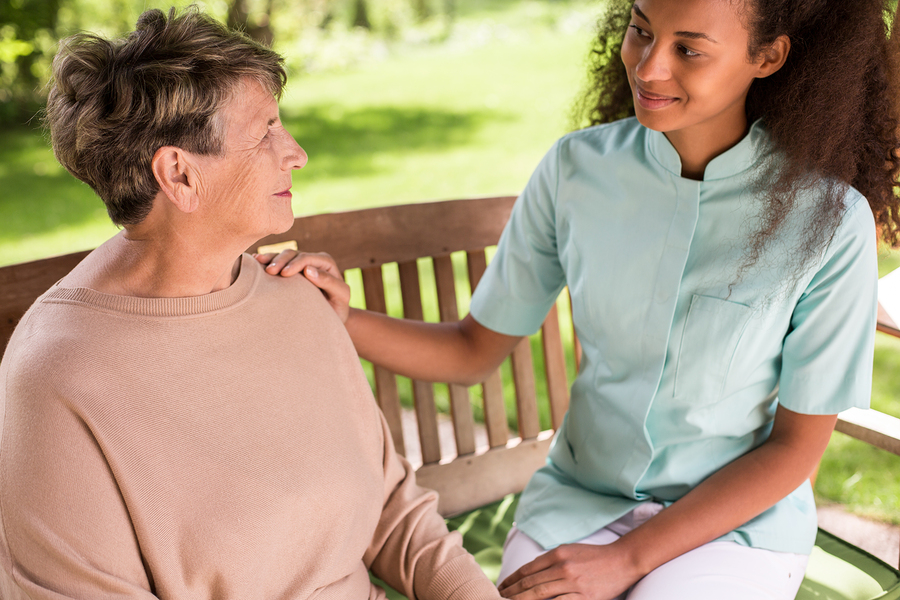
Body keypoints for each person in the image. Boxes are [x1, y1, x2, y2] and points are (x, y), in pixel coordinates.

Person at [257, 0, 900, 598]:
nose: (649, 67)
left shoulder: (828, 222)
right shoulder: (576, 171)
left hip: (733, 529)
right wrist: (340, 315)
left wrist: (627, 561)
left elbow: (794, 450)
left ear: (768, 58)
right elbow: (470, 352)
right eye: (641, 29)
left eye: (689, 49)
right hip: (577, 505)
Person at [0, 7, 503, 600]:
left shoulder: (296, 296)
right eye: (264, 131)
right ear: (180, 175)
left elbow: (393, 510)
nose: (295, 152)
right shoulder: (56, 379)